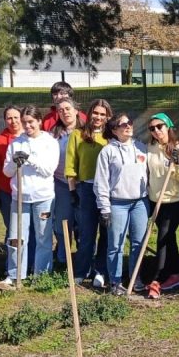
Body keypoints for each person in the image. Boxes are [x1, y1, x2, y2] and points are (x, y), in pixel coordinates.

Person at [2, 106, 59, 285]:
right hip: (20, 197)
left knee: (43, 237)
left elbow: (48, 170)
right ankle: (15, 274)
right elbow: (7, 172)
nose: (27, 126)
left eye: (31, 122)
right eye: (24, 122)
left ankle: (41, 275)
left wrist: (29, 159)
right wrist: (14, 161)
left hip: (43, 197)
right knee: (16, 237)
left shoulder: (49, 142)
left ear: (39, 121)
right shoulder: (16, 142)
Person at [94, 112, 149, 295]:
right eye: (122, 124)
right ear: (114, 130)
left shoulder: (141, 148)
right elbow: (101, 182)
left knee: (138, 243)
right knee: (115, 244)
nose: (128, 126)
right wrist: (105, 208)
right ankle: (115, 281)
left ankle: (135, 278)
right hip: (117, 203)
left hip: (140, 202)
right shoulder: (107, 152)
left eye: (130, 122)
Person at [145, 113, 179, 297]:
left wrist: (178, 162)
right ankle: (176, 273)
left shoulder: (178, 148)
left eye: (160, 126)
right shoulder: (150, 148)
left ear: (168, 127)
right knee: (169, 239)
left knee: (163, 238)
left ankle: (158, 279)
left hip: (174, 202)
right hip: (155, 201)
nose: (156, 131)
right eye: (152, 128)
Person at [66, 98, 112, 287]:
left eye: (103, 114)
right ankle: (82, 270)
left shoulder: (112, 137)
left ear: (108, 116)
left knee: (106, 232)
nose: (98, 117)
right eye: (95, 113)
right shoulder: (77, 135)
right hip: (85, 188)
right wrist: (73, 192)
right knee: (86, 233)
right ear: (89, 113)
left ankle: (100, 270)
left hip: (108, 190)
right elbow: (70, 164)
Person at [50, 98, 81, 269]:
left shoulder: (86, 131)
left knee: (82, 223)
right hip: (61, 183)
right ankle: (63, 258)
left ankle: (84, 257)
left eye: (68, 108)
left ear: (76, 110)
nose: (65, 112)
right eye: (60, 110)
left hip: (82, 184)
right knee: (62, 222)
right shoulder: (54, 134)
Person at [0, 105, 23, 241]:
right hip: (7, 190)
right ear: (5, 120)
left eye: (16, 117)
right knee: (11, 224)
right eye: (9, 118)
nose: (13, 121)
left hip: (28, 189)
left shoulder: (31, 137)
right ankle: (12, 253)